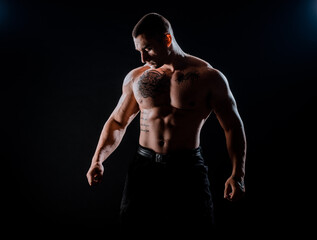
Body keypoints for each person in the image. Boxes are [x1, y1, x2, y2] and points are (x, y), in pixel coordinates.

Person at [86, 12, 246, 234]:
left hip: (187, 169)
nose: (142, 58)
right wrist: (98, 160)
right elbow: (117, 122)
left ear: (167, 39)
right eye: (138, 51)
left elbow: (232, 126)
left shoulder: (208, 77)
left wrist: (238, 174)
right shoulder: (137, 78)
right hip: (144, 168)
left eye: (148, 48)